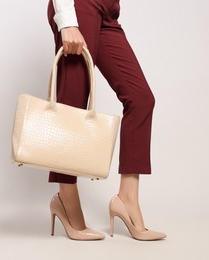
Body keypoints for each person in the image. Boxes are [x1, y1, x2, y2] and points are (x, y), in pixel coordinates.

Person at [47, 0, 166, 241]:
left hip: (107, 9)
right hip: (79, 6)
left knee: (141, 99)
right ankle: (66, 198)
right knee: (73, 104)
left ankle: (127, 199)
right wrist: (67, 19)